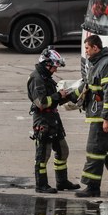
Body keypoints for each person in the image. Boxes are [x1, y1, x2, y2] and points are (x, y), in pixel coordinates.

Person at [71, 35, 108, 198]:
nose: (86, 52)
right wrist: (67, 96)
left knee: (95, 150)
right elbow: (87, 85)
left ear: (96, 48)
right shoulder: (95, 63)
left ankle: (92, 187)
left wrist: (106, 119)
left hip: (102, 116)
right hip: (96, 113)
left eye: (88, 48)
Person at [27, 47, 81, 194]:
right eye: (54, 66)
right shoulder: (36, 79)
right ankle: (41, 185)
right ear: (46, 64)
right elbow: (42, 103)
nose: (55, 70)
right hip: (43, 120)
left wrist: (71, 95)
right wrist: (58, 95)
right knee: (43, 155)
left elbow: (54, 100)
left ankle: (62, 181)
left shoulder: (46, 77)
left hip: (53, 119)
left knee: (63, 151)